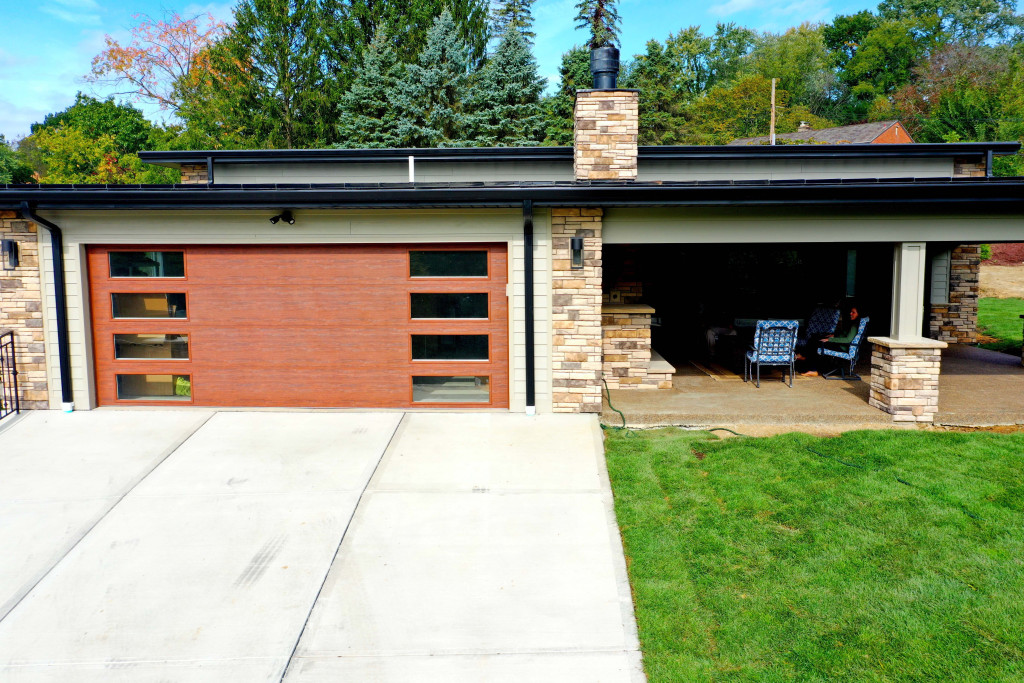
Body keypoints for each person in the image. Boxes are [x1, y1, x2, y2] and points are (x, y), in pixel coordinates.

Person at [800, 304, 862, 377]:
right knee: (815, 339)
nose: (850, 313)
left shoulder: (855, 326)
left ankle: (813, 369)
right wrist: (834, 335)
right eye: (851, 312)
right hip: (841, 345)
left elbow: (848, 340)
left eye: (853, 312)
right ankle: (804, 355)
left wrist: (830, 339)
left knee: (817, 343)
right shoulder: (853, 323)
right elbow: (845, 334)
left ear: (858, 314)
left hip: (842, 348)